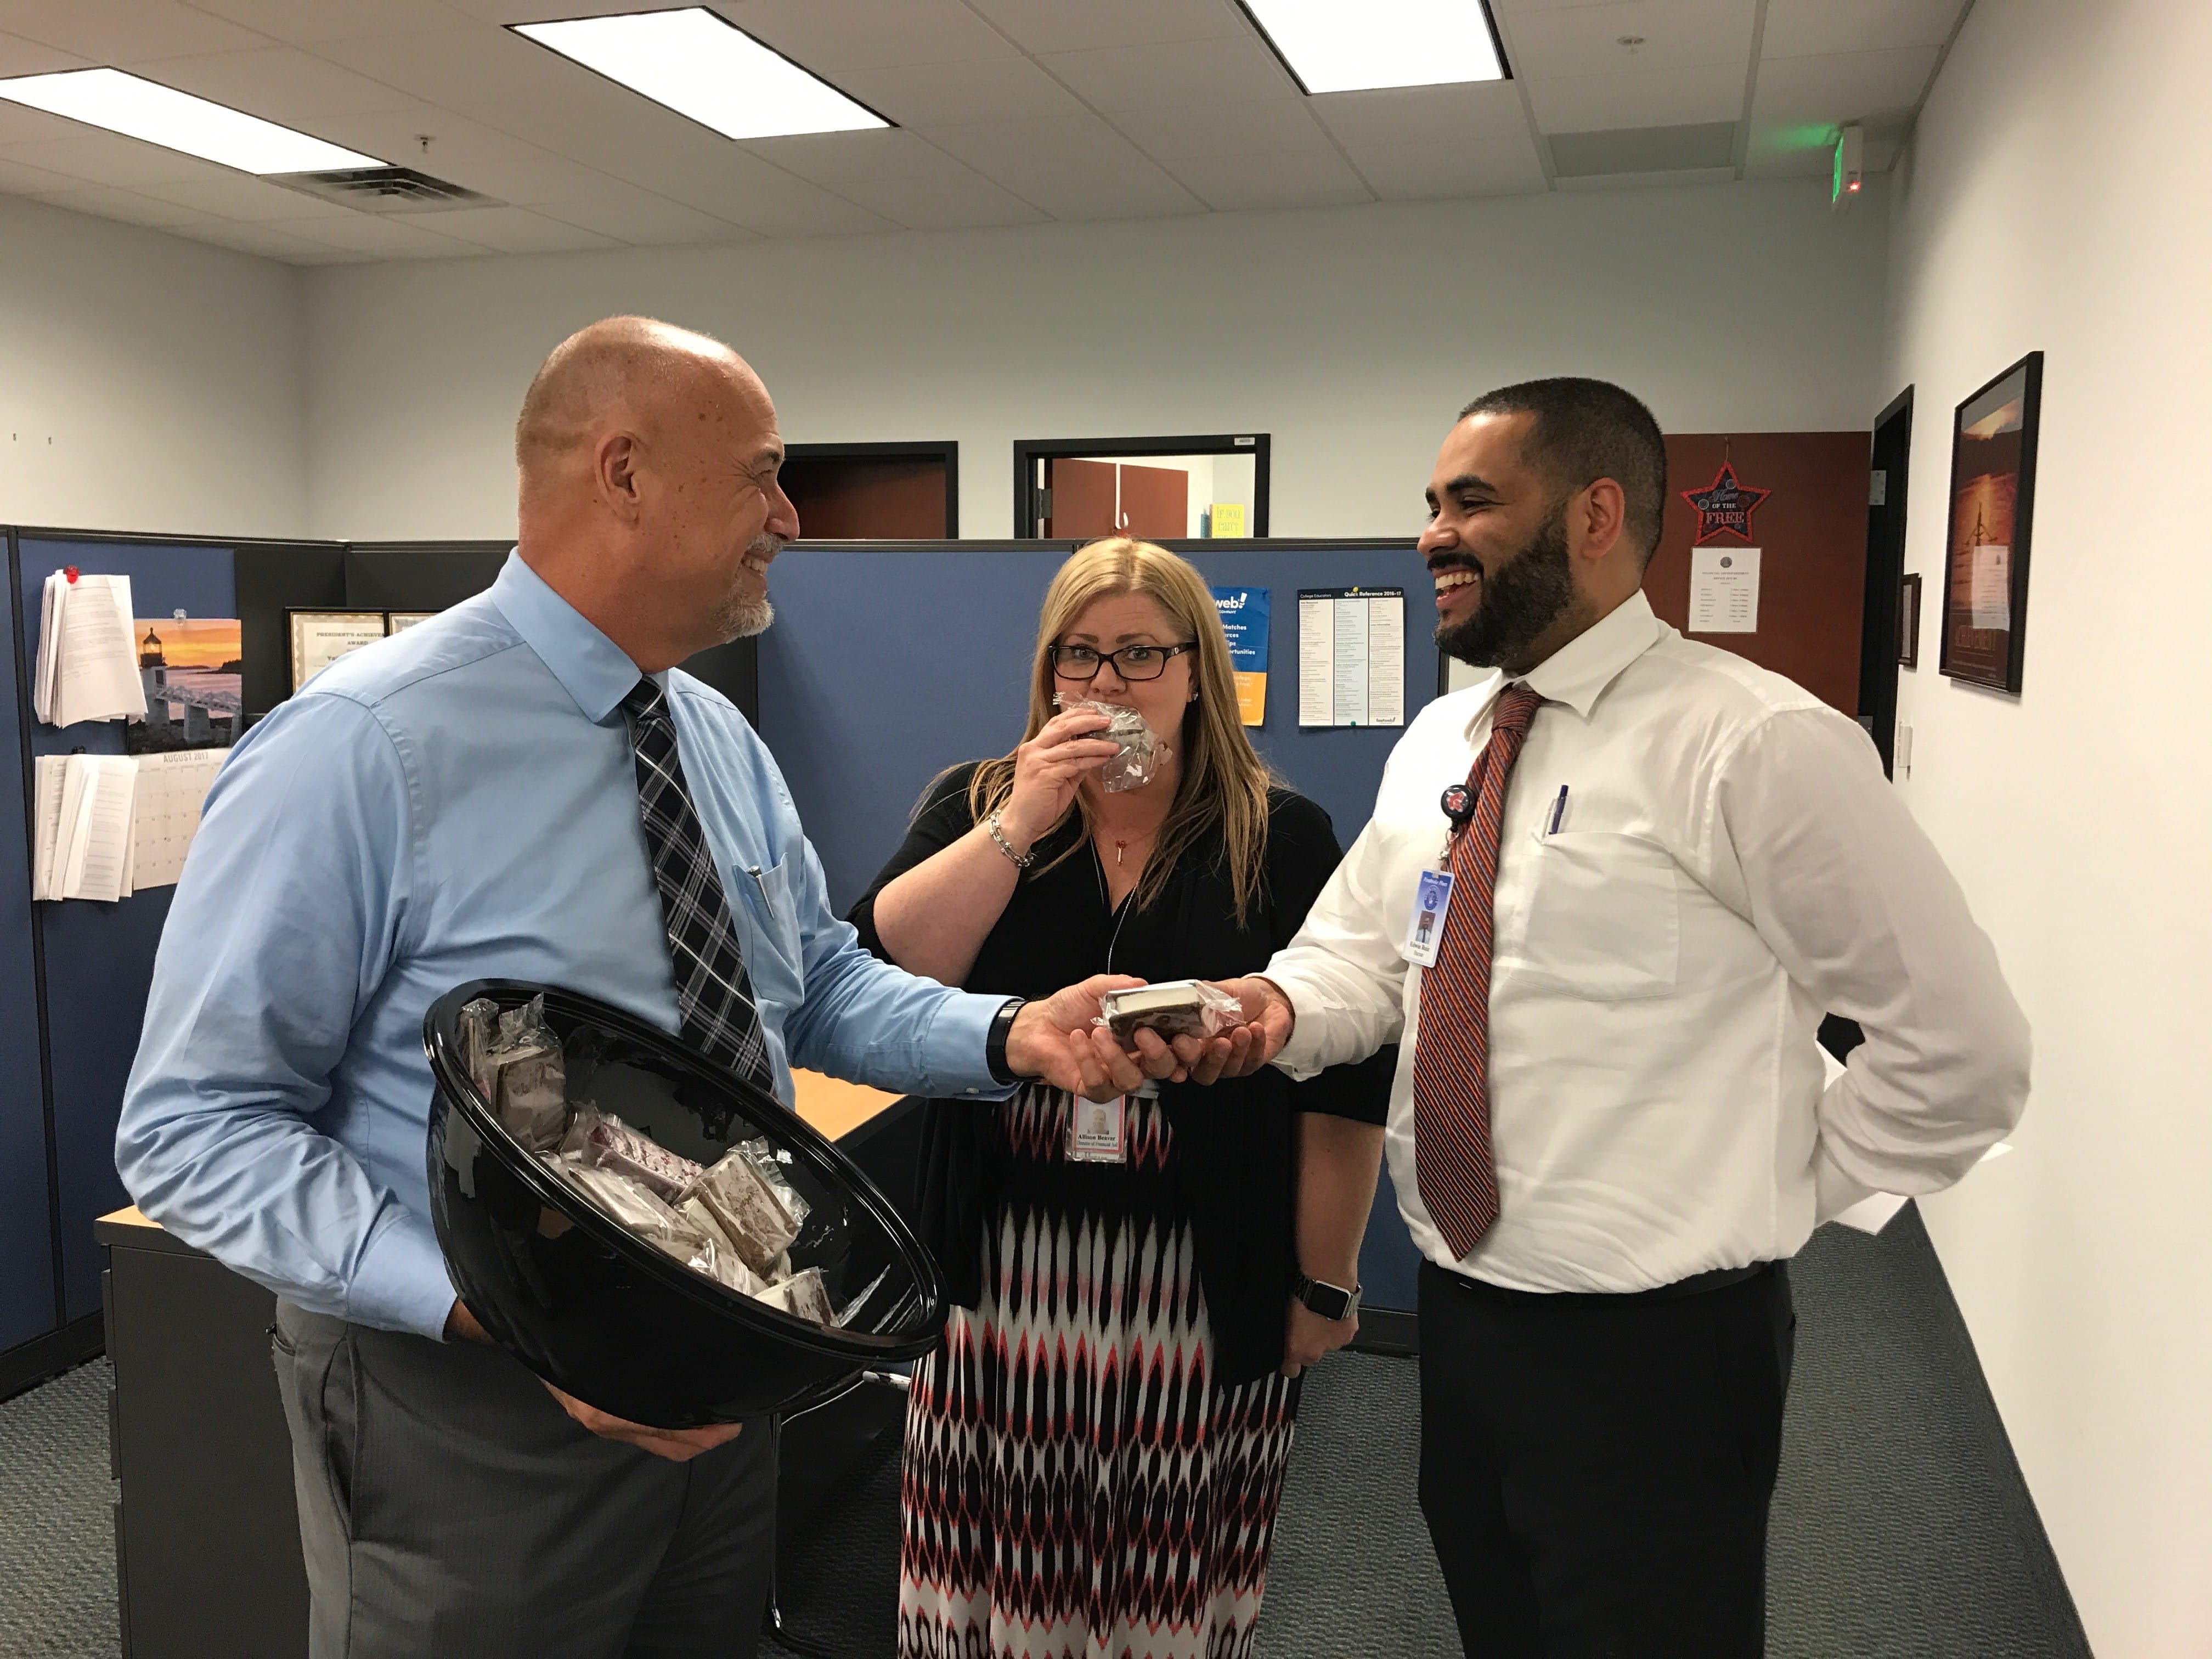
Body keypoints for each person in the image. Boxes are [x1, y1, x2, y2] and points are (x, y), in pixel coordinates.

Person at [113, 317, 1163, 1659]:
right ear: (622, 473)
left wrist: (1015, 1034)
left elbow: (818, 988)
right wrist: (500, 1310)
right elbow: (195, 1127)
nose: (790, 514)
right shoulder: (363, 748)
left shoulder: (712, 736)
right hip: (468, 1406)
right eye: (764, 476)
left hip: (717, 1378)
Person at [1184, 379, 2032, 1657]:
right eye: (1430, 503)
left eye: (1471, 502)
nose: (1429, 534)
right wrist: (1262, 1011)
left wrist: (1784, 1187)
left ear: (1593, 515)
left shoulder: (1752, 746)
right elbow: (1361, 962)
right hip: (1464, 1323)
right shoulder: (1440, 741)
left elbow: (1964, 1054)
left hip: (1664, 1356)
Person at [850, 537, 1392, 1659]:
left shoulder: (1276, 836)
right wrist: (1023, 815)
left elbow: (1346, 1081)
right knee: (995, 1565)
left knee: (1163, 1577)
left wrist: (1326, 1282)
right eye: (1078, 657)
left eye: (1140, 654)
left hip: (1196, 1269)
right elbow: (888, 973)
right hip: (1005, 1269)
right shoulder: (984, 806)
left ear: (1198, 672)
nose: (1105, 684)